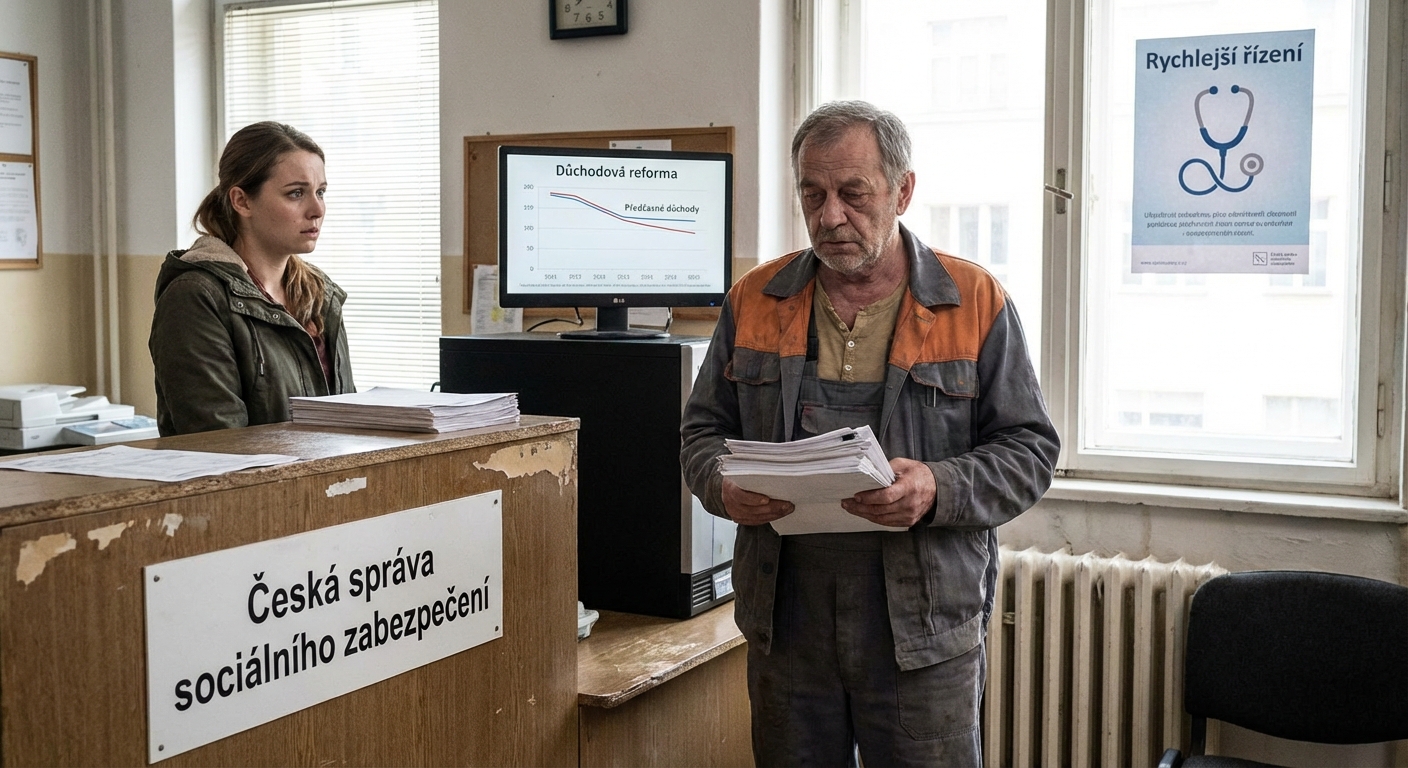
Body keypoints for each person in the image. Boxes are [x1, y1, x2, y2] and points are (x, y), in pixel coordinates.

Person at [680, 101, 1059, 765]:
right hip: (786, 624)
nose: (830, 217)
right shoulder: (754, 299)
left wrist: (938, 486)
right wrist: (722, 485)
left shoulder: (974, 302)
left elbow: (1030, 451)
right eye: (813, 193)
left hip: (920, 632)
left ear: (903, 190)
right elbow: (702, 434)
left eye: (853, 194)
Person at [149, 121, 355, 436]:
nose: (317, 209)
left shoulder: (319, 293)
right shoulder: (196, 296)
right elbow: (218, 442)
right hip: (249, 483)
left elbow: (349, 420)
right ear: (242, 201)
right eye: (296, 193)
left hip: (325, 483)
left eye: (321, 192)